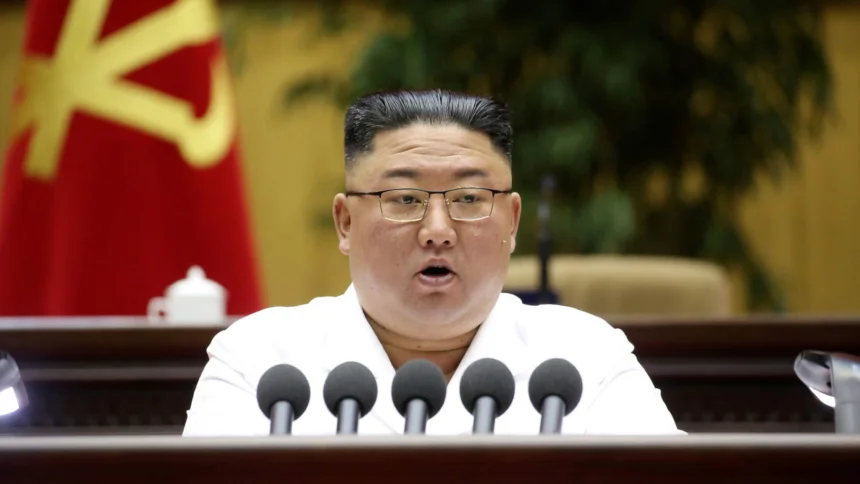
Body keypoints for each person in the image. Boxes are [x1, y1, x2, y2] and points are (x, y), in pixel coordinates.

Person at [182, 89, 682, 436]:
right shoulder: (260, 361)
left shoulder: (584, 357)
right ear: (345, 223)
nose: (438, 230)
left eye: (469, 199)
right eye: (404, 199)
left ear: (512, 222)